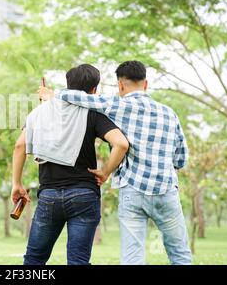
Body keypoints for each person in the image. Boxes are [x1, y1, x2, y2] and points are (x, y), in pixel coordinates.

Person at [39, 60, 192, 265]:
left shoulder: (116, 105)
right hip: (166, 190)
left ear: (120, 85)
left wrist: (51, 95)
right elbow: (181, 158)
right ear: (145, 84)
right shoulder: (169, 114)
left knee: (132, 256)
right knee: (180, 253)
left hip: (132, 190)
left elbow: (75, 96)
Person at [11, 64, 129, 265]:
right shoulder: (92, 113)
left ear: (68, 84)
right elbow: (121, 143)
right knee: (78, 261)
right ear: (93, 91)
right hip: (84, 194)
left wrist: (17, 184)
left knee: (34, 259)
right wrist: (105, 172)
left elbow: (19, 146)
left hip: (49, 196)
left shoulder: (38, 114)